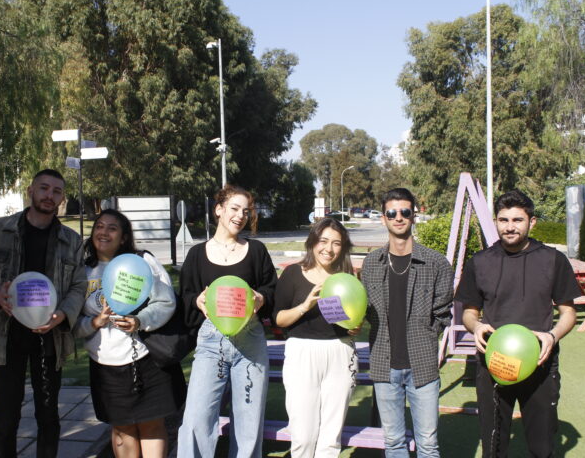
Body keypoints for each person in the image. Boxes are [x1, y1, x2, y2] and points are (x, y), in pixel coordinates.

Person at [0, 169, 87, 458]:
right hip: (6, 336)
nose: (49, 195)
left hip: (49, 336)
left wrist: (63, 315)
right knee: (5, 417)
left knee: (48, 416)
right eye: (44, 188)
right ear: (30, 191)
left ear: (62, 198)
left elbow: (78, 286)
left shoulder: (71, 240)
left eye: (56, 191)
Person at [456, 190, 580, 458]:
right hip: (494, 364)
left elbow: (568, 313)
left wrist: (552, 336)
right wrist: (476, 326)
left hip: (540, 364)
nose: (510, 227)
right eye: (503, 220)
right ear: (496, 221)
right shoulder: (480, 262)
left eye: (517, 220)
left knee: (542, 447)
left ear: (531, 222)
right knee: (493, 448)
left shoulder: (553, 260)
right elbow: (469, 313)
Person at [177, 185, 277, 458]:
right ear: (219, 210)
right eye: (234, 208)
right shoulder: (197, 254)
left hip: (250, 342)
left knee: (248, 426)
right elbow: (185, 297)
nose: (240, 216)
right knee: (196, 420)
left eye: (246, 211)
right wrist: (197, 301)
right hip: (211, 342)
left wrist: (261, 298)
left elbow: (272, 290)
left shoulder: (256, 250)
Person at [73, 209, 179, 458]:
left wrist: (140, 321)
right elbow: (72, 323)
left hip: (145, 359)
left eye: (112, 228)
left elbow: (167, 302)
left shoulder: (140, 263)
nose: (104, 232)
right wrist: (95, 322)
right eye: (99, 226)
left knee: (151, 425)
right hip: (104, 363)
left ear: (123, 237)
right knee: (122, 428)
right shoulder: (82, 272)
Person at [360, 188, 454, 458]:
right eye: (392, 213)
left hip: (422, 366)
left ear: (414, 216)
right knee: (393, 443)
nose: (398, 217)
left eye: (404, 212)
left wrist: (424, 336)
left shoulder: (436, 263)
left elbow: (442, 313)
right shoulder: (371, 263)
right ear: (383, 218)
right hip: (384, 366)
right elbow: (366, 311)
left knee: (428, 444)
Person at [273, 217, 358, 458]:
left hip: (341, 352)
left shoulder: (346, 277)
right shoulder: (292, 274)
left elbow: (352, 316)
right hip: (302, 354)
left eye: (336, 243)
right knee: (303, 436)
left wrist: (355, 326)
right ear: (312, 242)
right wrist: (305, 305)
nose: (328, 249)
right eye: (323, 241)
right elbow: (279, 319)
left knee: (330, 439)